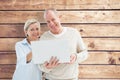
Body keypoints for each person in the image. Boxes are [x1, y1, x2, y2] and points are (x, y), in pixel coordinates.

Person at [38, 8, 89, 80]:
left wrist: (76, 57)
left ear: (59, 17)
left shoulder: (73, 33)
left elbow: (85, 53)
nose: (51, 24)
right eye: (48, 22)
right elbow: (40, 65)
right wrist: (47, 67)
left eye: (53, 19)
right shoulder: (44, 38)